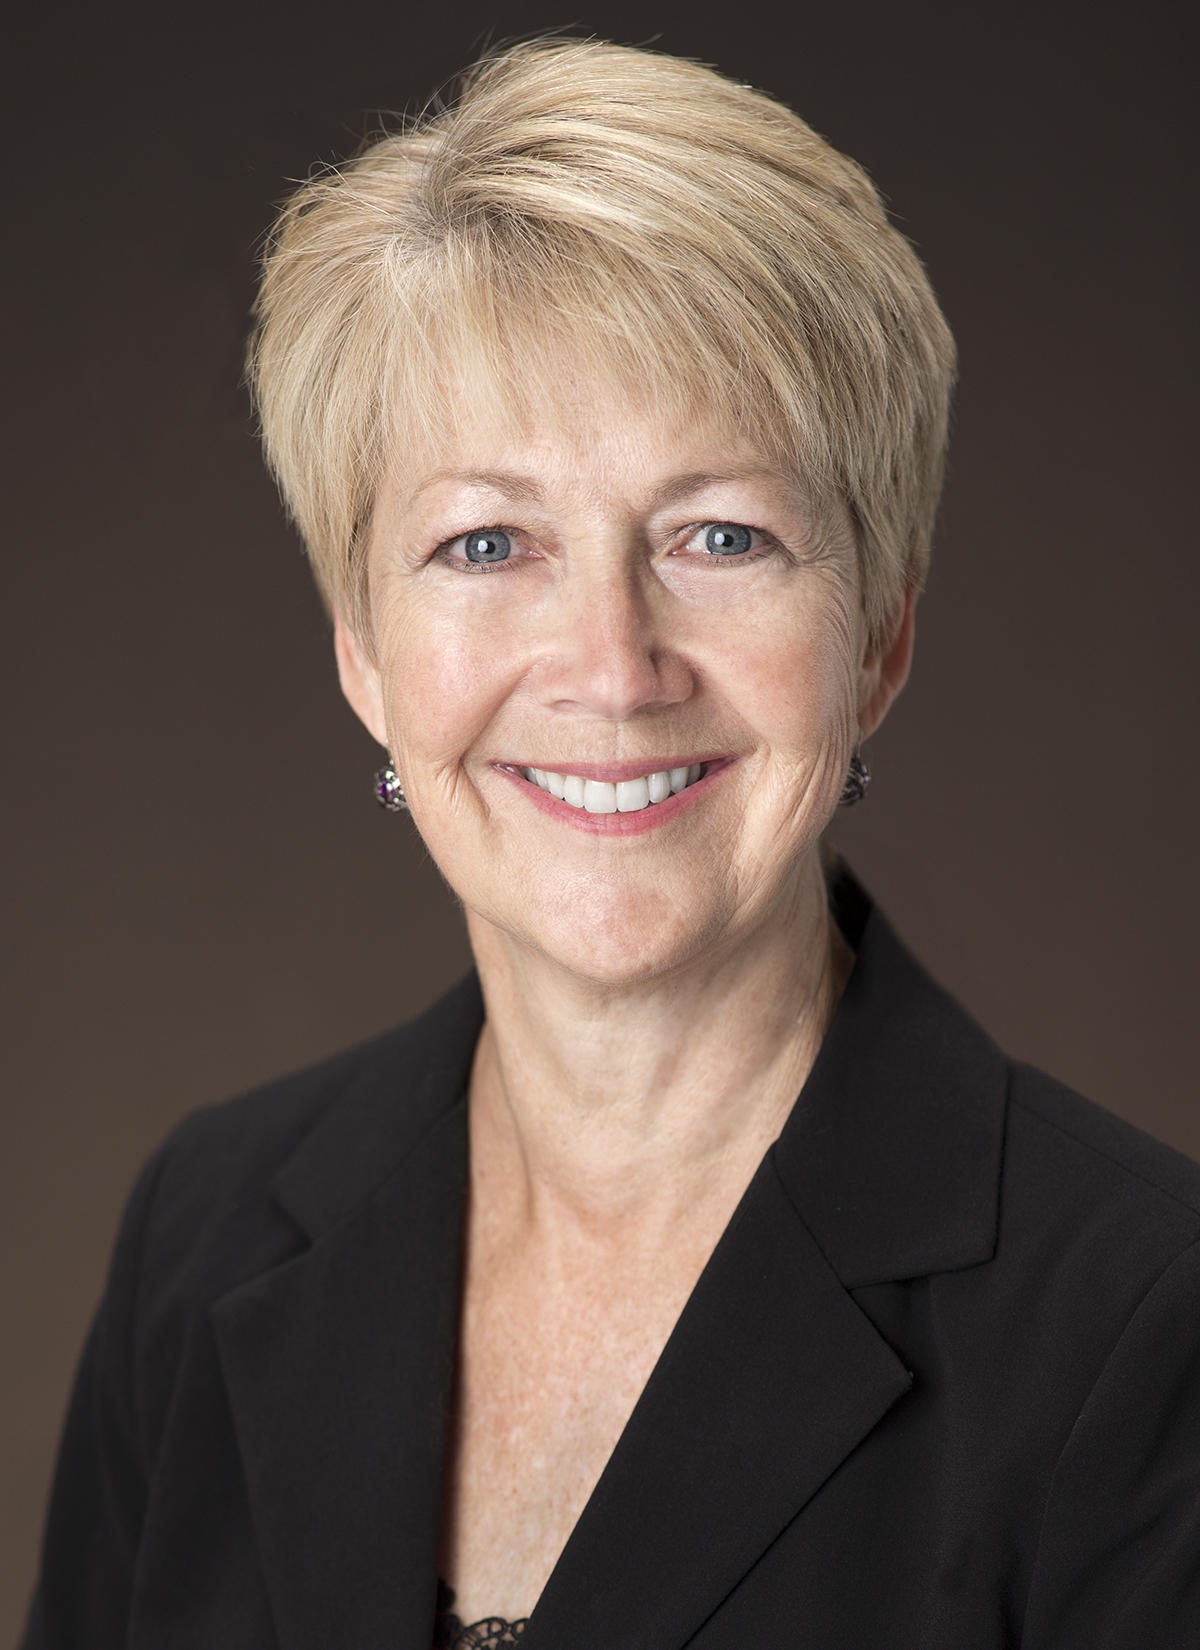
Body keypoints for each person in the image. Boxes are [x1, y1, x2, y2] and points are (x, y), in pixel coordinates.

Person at [22, 37, 1200, 1650]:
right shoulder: (205, 1231)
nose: (612, 667)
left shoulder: (1145, 1328)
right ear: (363, 650)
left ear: (878, 639)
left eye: (720, 534)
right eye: (485, 542)